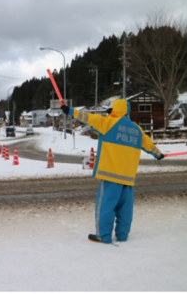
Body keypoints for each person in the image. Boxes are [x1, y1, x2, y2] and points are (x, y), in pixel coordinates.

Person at [61, 99, 164, 244]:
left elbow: (88, 117)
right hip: (128, 177)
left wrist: (70, 111)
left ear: (115, 109)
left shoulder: (108, 123)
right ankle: (122, 235)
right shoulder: (137, 129)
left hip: (110, 175)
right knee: (125, 209)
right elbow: (149, 145)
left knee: (106, 206)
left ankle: (103, 235)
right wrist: (158, 154)